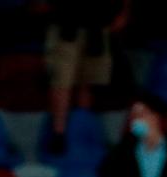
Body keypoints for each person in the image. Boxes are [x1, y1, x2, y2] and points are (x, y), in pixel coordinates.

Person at [43, 0, 129, 155]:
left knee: (89, 81)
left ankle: (83, 130)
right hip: (66, 25)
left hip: (97, 25)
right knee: (61, 81)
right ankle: (58, 134)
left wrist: (123, 13)